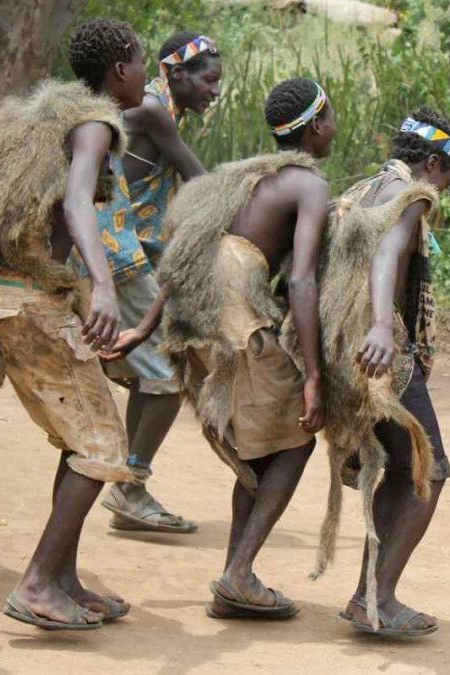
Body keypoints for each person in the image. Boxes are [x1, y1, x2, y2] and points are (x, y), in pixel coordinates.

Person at [0, 18, 147, 630]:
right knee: (101, 443)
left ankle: (63, 577)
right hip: (36, 299)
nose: (146, 76)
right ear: (120, 68)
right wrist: (107, 287)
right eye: (141, 63)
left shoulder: (38, 116)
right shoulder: (93, 123)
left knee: (77, 439)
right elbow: (73, 200)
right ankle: (38, 583)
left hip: (11, 294)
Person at [158, 76, 334, 619]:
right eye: (329, 119)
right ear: (316, 126)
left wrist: (146, 328)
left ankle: (238, 578)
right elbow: (301, 280)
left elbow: (183, 246)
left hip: (199, 307)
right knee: (298, 437)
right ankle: (238, 572)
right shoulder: (308, 185)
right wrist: (312, 376)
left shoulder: (246, 176)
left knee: (260, 449)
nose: (333, 130)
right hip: (238, 310)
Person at [310, 108, 450, 638]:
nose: (443, 191)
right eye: (447, 177)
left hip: (343, 346)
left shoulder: (361, 188)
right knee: (429, 468)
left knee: (399, 468)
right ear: (430, 164)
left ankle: (367, 597)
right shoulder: (411, 194)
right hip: (378, 348)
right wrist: (381, 325)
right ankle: (376, 597)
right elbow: (388, 252)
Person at [96, 30, 222, 535]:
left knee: (154, 372)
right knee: (167, 377)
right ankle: (128, 486)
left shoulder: (157, 107)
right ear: (175, 74)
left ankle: (128, 481)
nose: (215, 90)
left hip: (128, 249)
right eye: (209, 79)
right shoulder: (153, 109)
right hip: (115, 251)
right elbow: (201, 182)